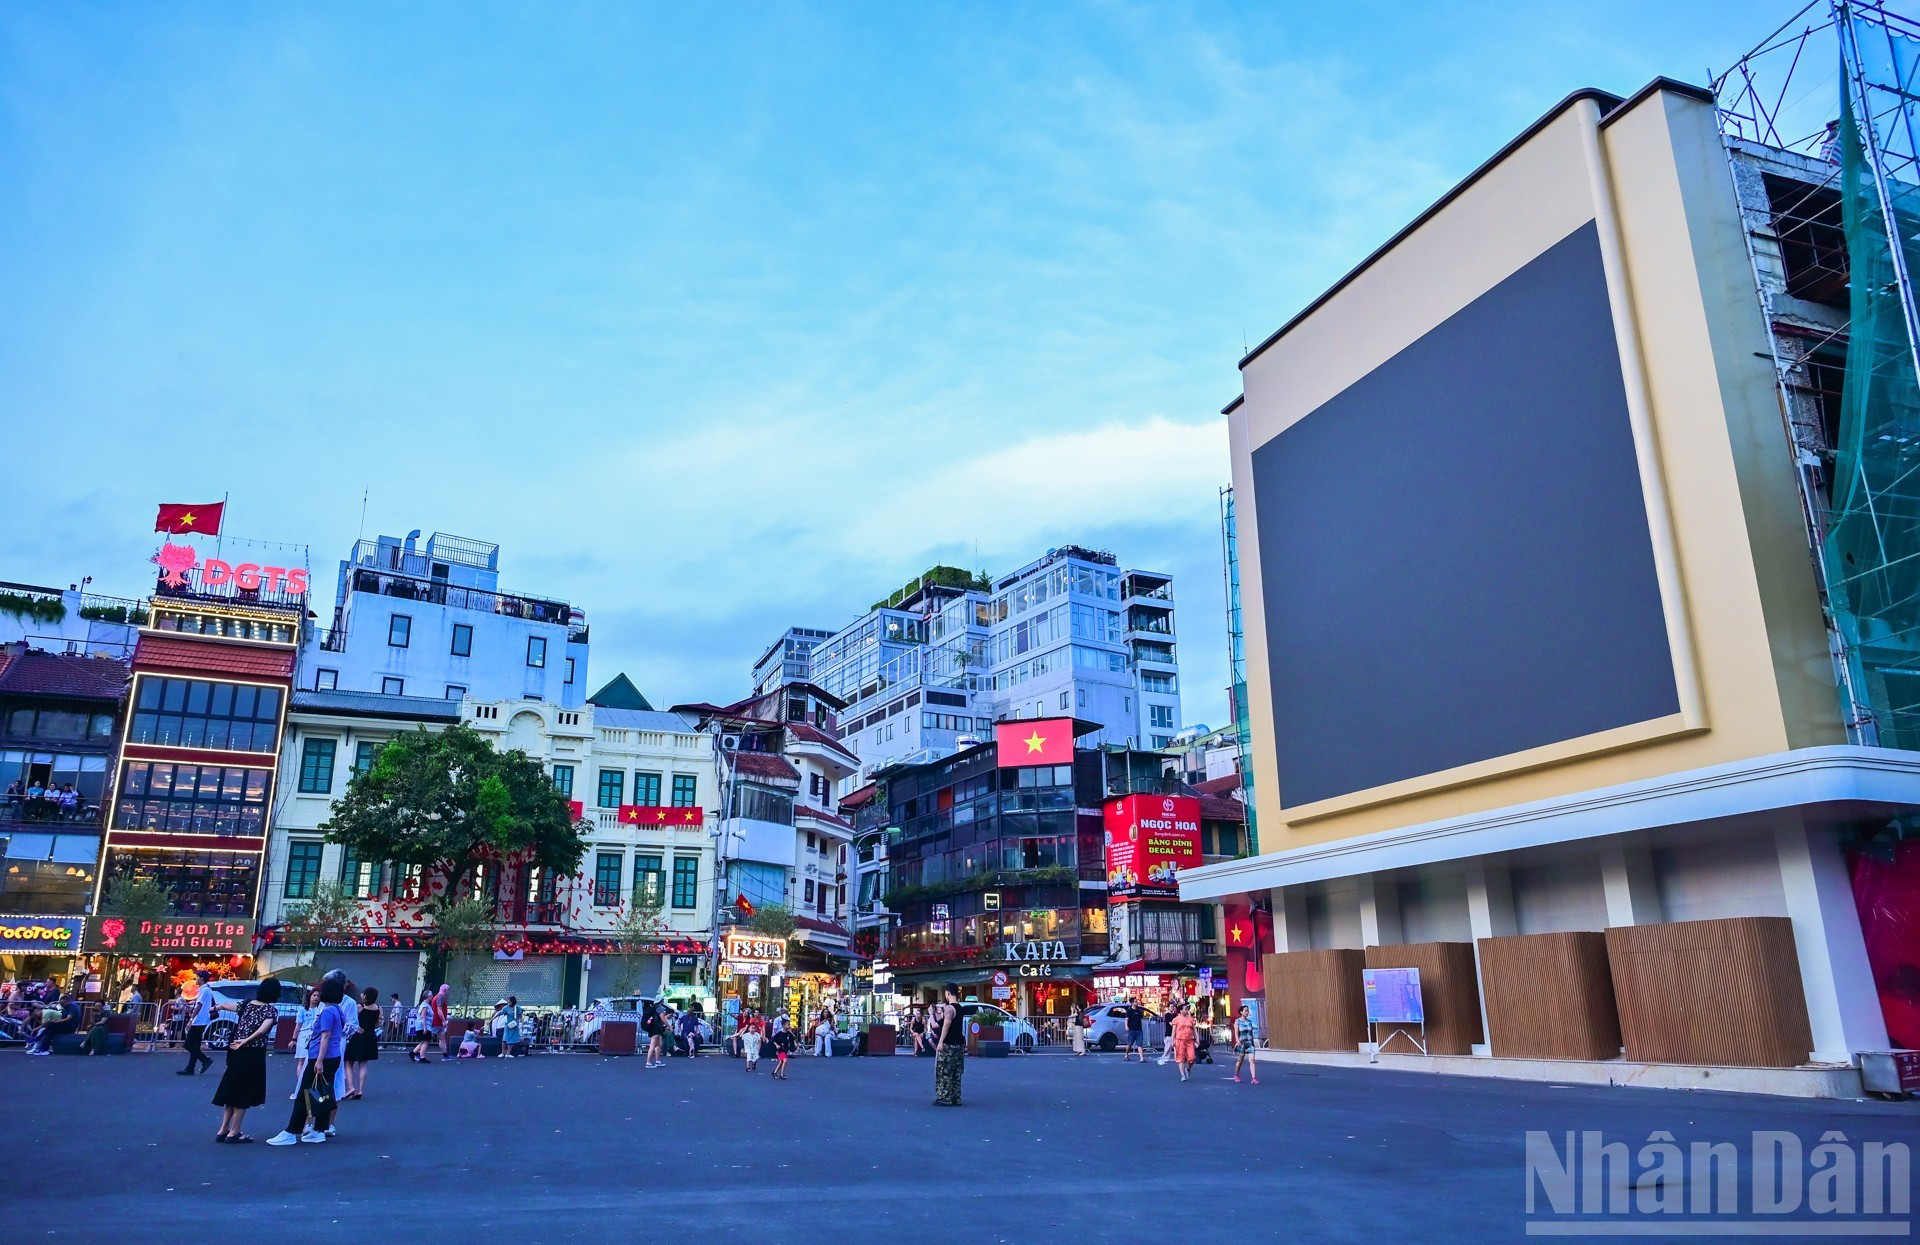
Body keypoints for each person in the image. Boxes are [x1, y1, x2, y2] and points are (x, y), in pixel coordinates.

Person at [268, 976, 345, 1145]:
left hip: (321, 1057)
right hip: (333, 1056)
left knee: (304, 1093)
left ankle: (291, 1131)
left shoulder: (327, 1011)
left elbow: (325, 1036)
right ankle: (319, 1130)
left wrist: (319, 1060)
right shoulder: (338, 1010)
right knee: (323, 1093)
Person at [212, 976, 282, 1144]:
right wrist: (245, 1041)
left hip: (235, 1052)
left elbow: (228, 1005)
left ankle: (223, 1129)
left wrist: (216, 1006)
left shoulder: (247, 1004)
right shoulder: (270, 1010)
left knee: (232, 1089)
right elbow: (262, 1031)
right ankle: (234, 1132)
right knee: (244, 1092)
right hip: (253, 1054)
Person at [343, 987, 381, 1099]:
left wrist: (357, 1027)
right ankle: (360, 1090)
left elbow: (351, 1019)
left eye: (362, 994)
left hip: (358, 1035)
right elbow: (379, 1023)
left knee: (349, 1062)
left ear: (366, 996)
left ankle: (350, 1087)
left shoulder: (360, 1007)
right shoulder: (378, 1008)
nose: (361, 995)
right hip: (370, 1036)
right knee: (363, 1064)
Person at [932, 983, 965, 1107]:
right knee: (956, 1072)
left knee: (944, 1071)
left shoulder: (949, 1009)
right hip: (959, 1044)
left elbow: (946, 1025)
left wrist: (940, 1042)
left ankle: (945, 1097)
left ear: (948, 993)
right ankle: (956, 1097)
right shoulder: (960, 1008)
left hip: (948, 1044)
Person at [177, 971, 214, 1075]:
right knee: (195, 1045)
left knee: (188, 1044)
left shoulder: (204, 990)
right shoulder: (206, 989)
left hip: (199, 1021)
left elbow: (199, 1005)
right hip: (202, 1020)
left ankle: (205, 1060)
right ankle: (190, 1068)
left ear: (202, 978)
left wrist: (191, 1019)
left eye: (197, 977)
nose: (196, 979)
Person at [290, 987, 320, 1098]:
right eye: (314, 995)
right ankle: (301, 1084)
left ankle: (312, 1085)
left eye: (318, 996)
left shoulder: (320, 1009)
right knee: (301, 1060)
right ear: (310, 997)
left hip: (315, 1035)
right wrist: (294, 1039)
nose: (316, 998)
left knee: (312, 1060)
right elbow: (298, 1025)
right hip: (304, 1034)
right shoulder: (302, 1010)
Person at [1231, 1003, 1260, 1086]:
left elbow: (1251, 1033)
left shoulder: (1250, 1022)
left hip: (1250, 1043)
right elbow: (1236, 1032)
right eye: (1246, 1011)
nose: (1247, 1012)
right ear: (1241, 1012)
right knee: (1240, 1060)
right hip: (1242, 1043)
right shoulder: (1237, 1021)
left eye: (1248, 1011)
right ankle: (1236, 1074)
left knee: (1252, 1060)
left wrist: (1254, 1042)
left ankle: (1253, 1078)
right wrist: (1237, 1041)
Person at [1171, 1004, 1197, 1082]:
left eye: (1187, 1009)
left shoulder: (1191, 1019)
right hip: (1180, 1040)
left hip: (1190, 1040)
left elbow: (1194, 1029)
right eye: (1185, 1009)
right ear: (1181, 1010)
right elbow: (1173, 1031)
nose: (1186, 1010)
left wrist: (1197, 1038)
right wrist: (1172, 1040)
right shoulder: (1176, 1019)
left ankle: (1188, 1068)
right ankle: (1183, 1075)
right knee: (1180, 1057)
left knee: (1192, 1058)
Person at [409, 988, 434, 1063]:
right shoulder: (425, 1006)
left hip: (424, 1025)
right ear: (428, 996)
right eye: (431, 995)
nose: (432, 996)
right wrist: (425, 1028)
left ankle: (413, 1053)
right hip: (424, 1025)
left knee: (423, 1041)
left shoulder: (425, 1005)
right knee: (426, 1041)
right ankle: (422, 1057)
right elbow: (423, 1017)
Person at [1121, 997, 1146, 1063]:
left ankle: (1141, 1058)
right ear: (1132, 1003)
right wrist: (1126, 1026)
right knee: (1130, 1044)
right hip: (1132, 1029)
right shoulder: (1129, 1011)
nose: (1136, 1002)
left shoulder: (1139, 1011)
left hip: (1139, 1030)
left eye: (1137, 1001)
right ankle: (1126, 1054)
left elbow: (1141, 1019)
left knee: (1139, 1044)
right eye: (1135, 1001)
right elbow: (1126, 1019)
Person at [431, 984, 450, 1059]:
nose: (448, 992)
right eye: (448, 990)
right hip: (437, 1022)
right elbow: (439, 1010)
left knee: (442, 1038)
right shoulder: (440, 997)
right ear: (445, 990)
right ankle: (416, 1052)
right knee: (427, 1039)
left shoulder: (439, 997)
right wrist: (444, 1020)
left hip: (438, 1022)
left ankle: (445, 1054)